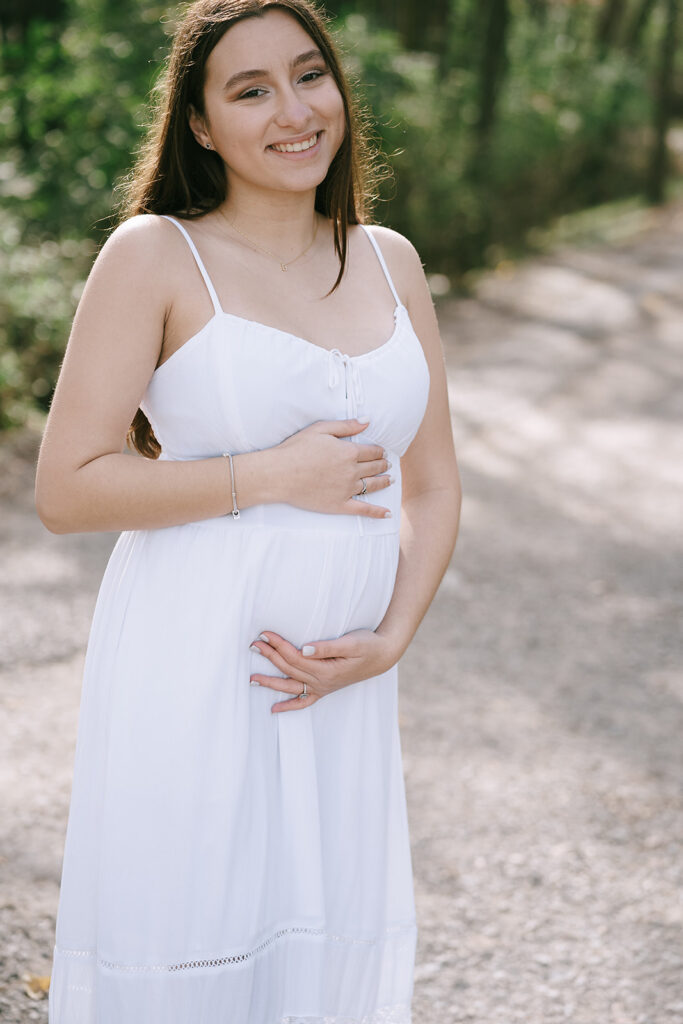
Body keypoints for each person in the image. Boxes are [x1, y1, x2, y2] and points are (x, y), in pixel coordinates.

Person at [35, 0, 461, 1021]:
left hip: (340, 684)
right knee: (195, 929)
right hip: (194, 667)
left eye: (309, 75)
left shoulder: (391, 260)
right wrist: (265, 475)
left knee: (320, 944)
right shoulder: (153, 256)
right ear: (198, 123)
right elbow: (67, 487)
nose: (293, 110)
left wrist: (390, 637)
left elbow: (435, 481)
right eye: (250, 90)